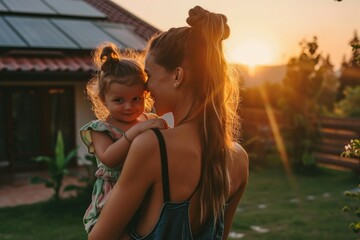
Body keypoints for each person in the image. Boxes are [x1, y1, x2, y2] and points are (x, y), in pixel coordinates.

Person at [89, 6, 249, 240]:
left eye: (149, 76)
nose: (144, 88)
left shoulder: (152, 145)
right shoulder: (239, 159)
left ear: (177, 76)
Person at [80, 42, 167, 233]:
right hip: (114, 196)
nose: (129, 106)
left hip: (146, 190)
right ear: (104, 99)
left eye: (136, 99)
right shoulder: (101, 129)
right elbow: (109, 159)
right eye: (119, 100)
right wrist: (134, 132)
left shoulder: (149, 120)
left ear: (146, 95)